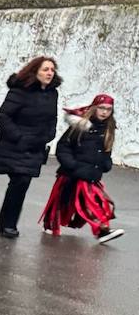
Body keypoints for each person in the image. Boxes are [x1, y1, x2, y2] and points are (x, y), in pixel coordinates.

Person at [40, 93, 124, 243]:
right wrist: (72, 165)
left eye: (108, 109)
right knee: (62, 201)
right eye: (101, 108)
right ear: (94, 108)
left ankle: (102, 231)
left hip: (91, 174)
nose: (104, 112)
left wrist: (106, 163)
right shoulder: (80, 125)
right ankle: (51, 223)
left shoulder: (108, 129)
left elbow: (106, 151)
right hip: (73, 173)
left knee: (96, 203)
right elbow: (63, 147)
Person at [0, 56, 62, 238]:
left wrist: (49, 135)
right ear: (35, 71)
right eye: (45, 69)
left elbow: (52, 118)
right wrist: (19, 137)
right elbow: (2, 116)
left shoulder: (52, 93)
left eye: (52, 70)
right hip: (15, 145)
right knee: (20, 181)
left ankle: (6, 224)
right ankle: (8, 224)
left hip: (36, 147)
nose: (49, 73)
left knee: (21, 184)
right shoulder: (20, 91)